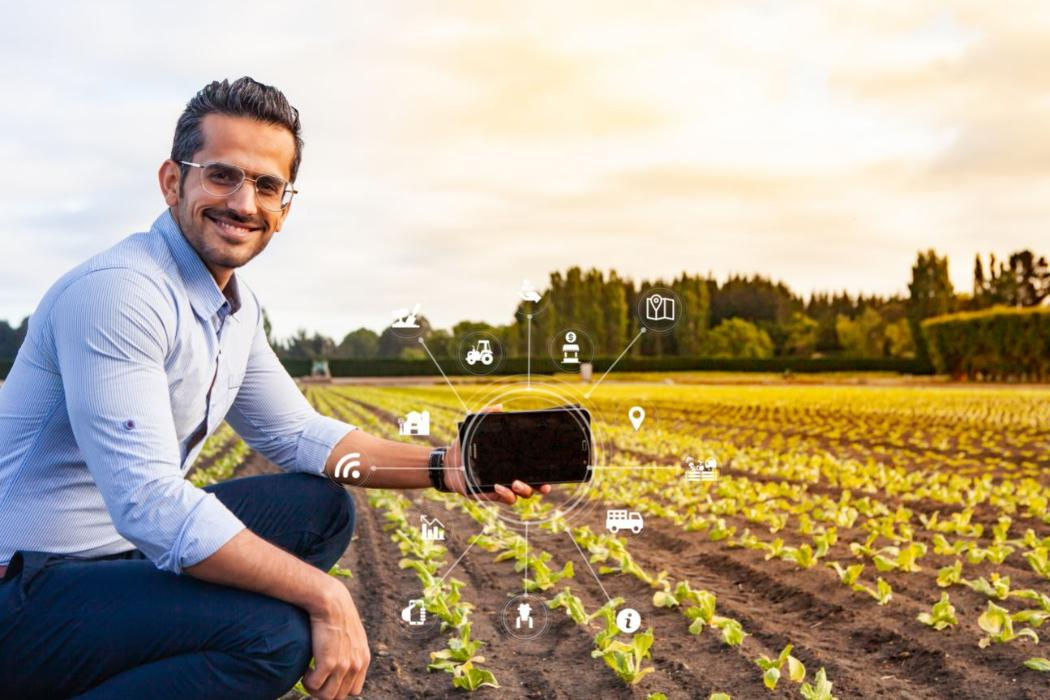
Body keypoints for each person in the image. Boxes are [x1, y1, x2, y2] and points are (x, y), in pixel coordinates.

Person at [0, 76, 550, 700]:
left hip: (113, 558)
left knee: (320, 510)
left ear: (284, 209)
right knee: (274, 637)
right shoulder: (119, 292)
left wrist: (444, 466)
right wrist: (326, 595)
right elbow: (149, 503)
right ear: (173, 181)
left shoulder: (232, 308)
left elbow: (297, 433)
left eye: (266, 185)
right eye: (222, 175)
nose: (243, 202)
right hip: (22, 589)